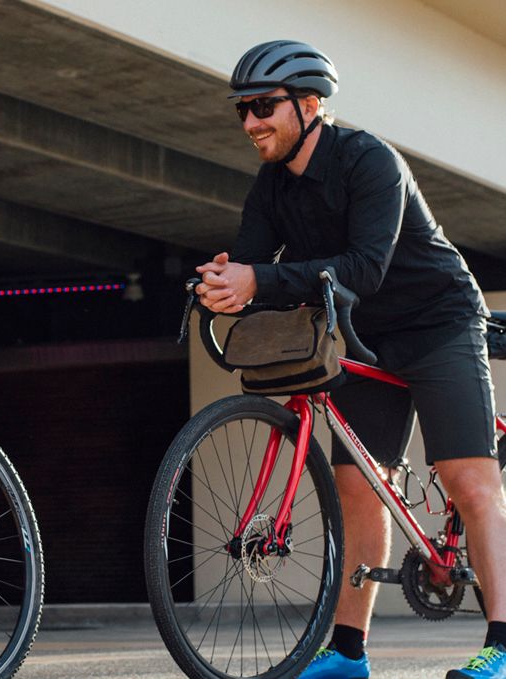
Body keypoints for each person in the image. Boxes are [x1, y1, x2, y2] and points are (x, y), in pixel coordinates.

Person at [195, 40, 506, 679]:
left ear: (310, 105)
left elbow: (364, 266)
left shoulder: (369, 161)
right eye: (242, 111)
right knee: (357, 488)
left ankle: (502, 647)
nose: (251, 122)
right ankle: (346, 652)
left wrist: (261, 279)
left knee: (466, 479)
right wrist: (224, 285)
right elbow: (255, 262)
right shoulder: (271, 186)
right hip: (365, 337)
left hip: (438, 321)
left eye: (263, 107)